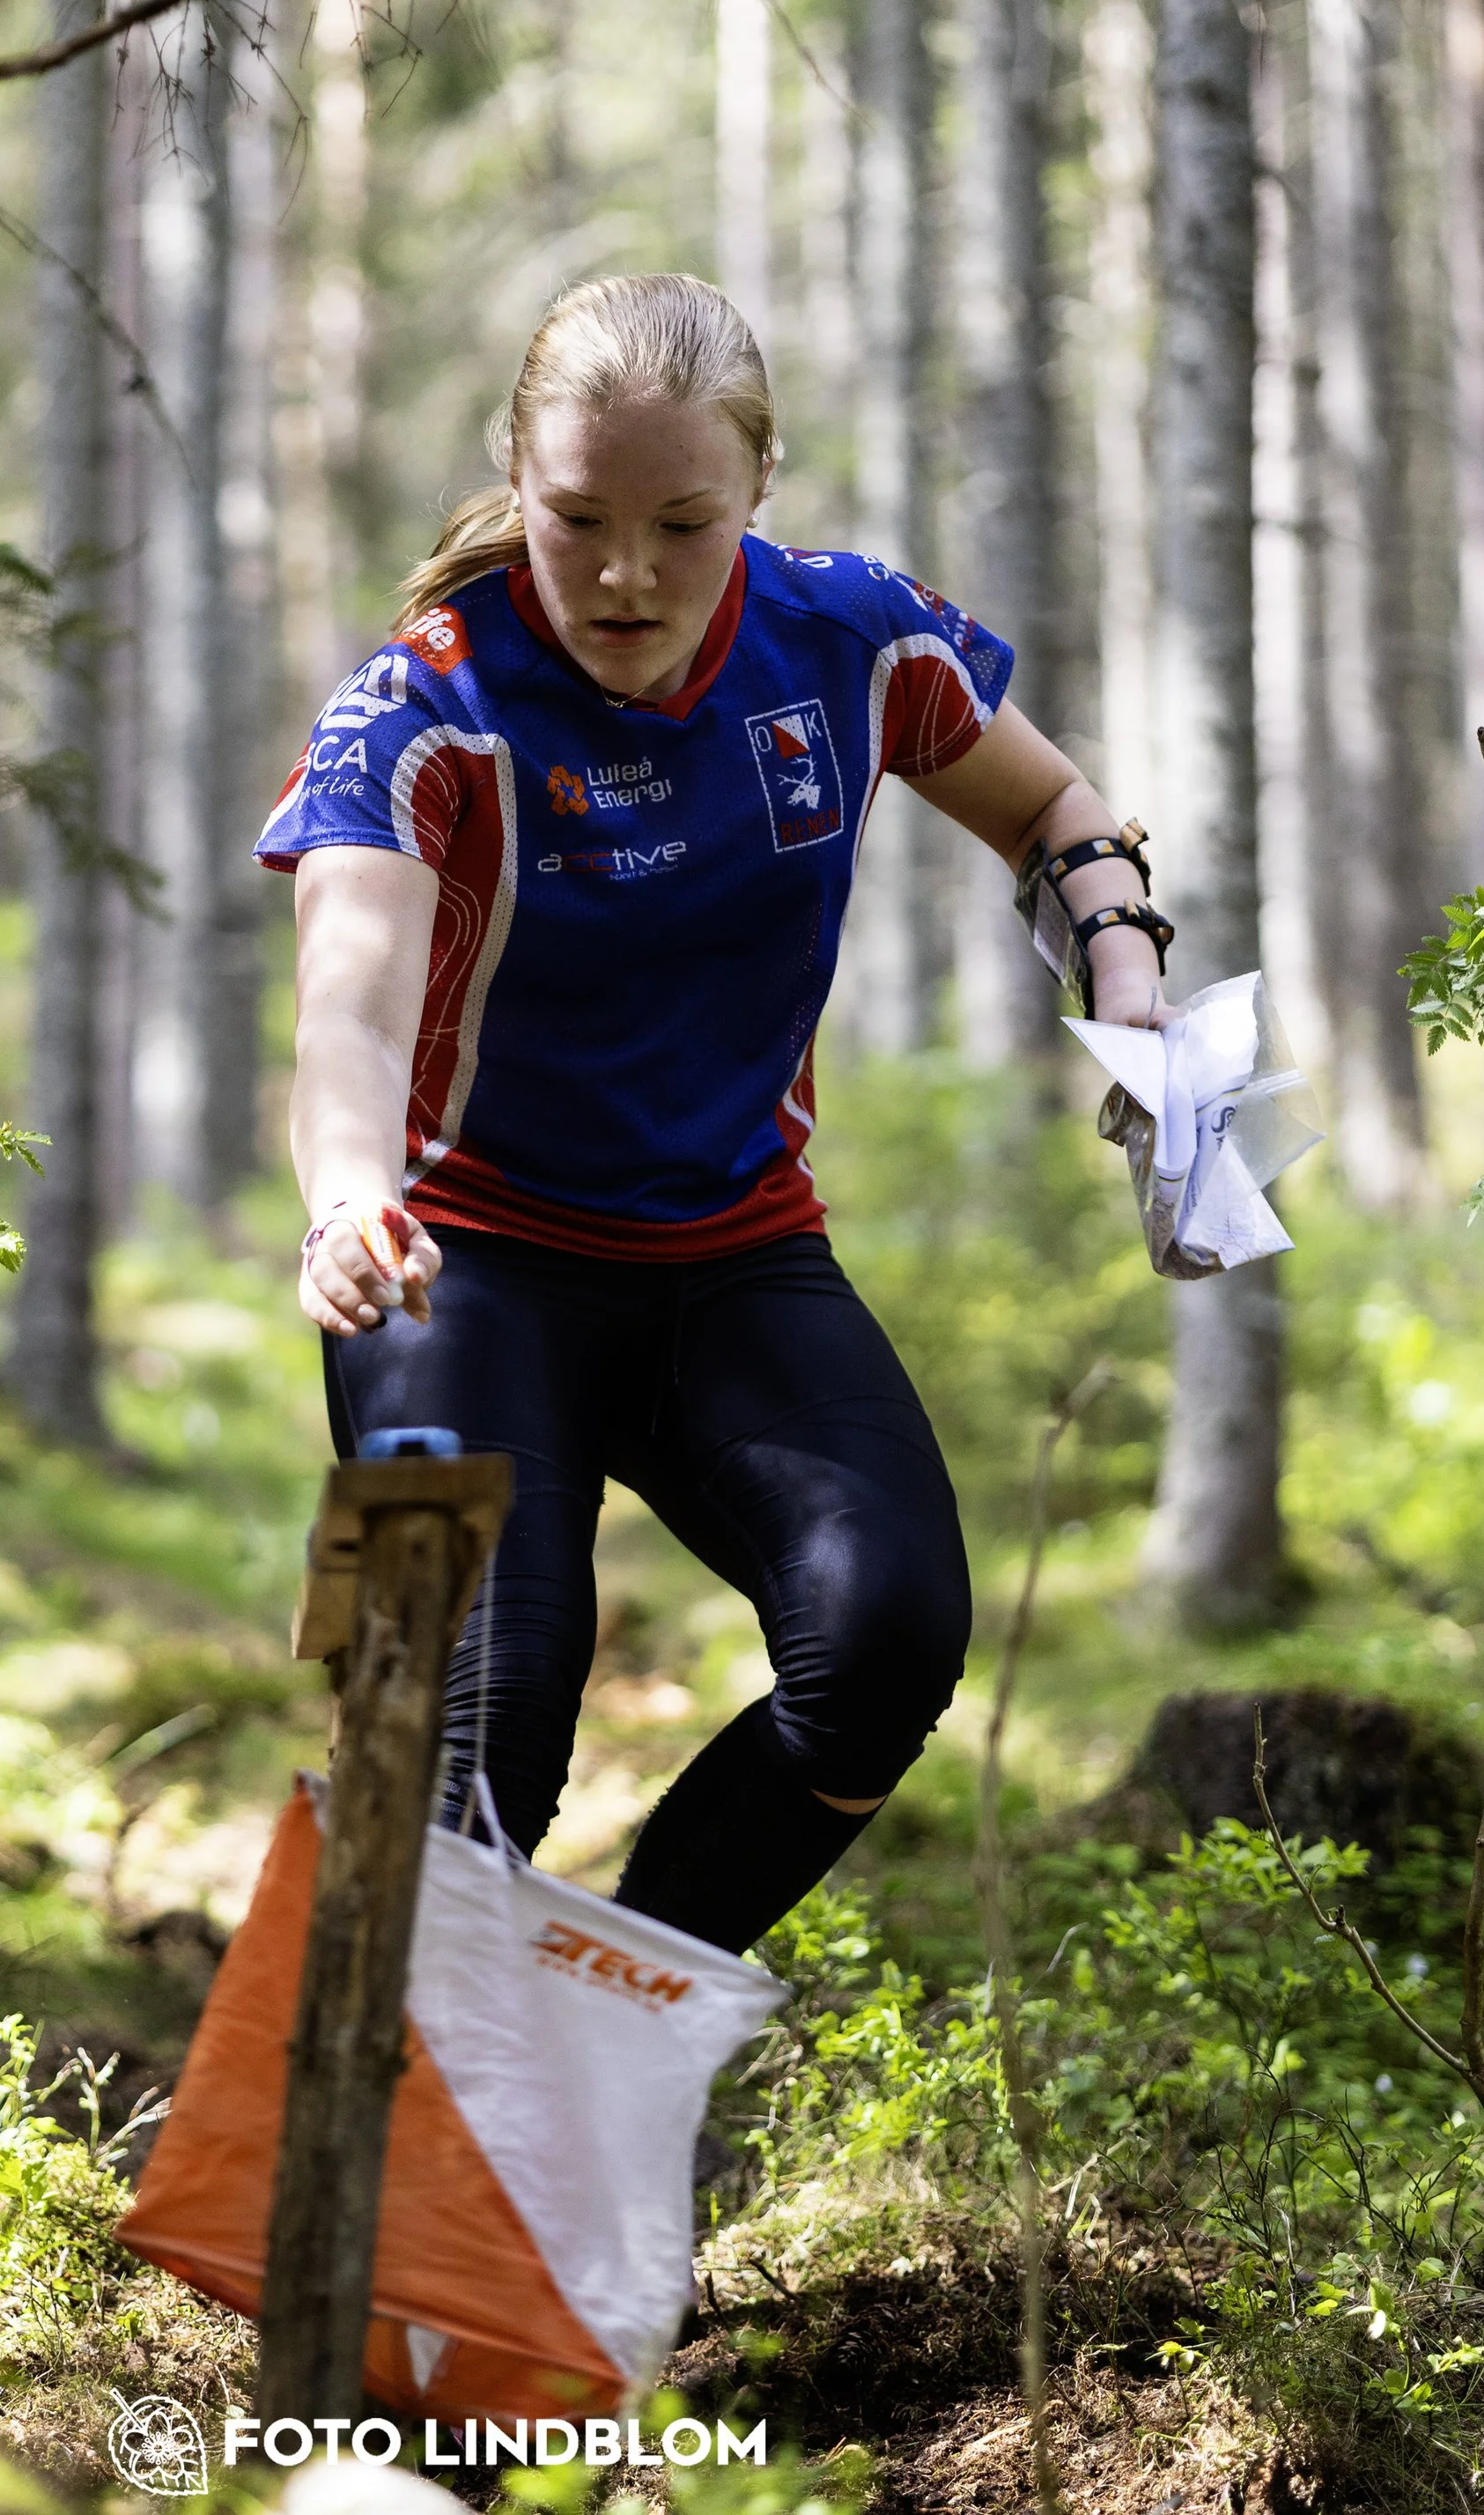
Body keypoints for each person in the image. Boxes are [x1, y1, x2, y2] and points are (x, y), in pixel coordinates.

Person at [256, 274, 1169, 1957]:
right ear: (514, 480)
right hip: (447, 1266)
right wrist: (345, 1197)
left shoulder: (850, 640)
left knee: (889, 1635)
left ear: (756, 492)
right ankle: (326, 2180)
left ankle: (606, 2038)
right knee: (464, 1727)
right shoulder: (423, 701)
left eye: (682, 525)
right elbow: (356, 997)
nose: (623, 574)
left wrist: (1116, 946)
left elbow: (1048, 804)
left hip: (732, 1251)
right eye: (576, 518)